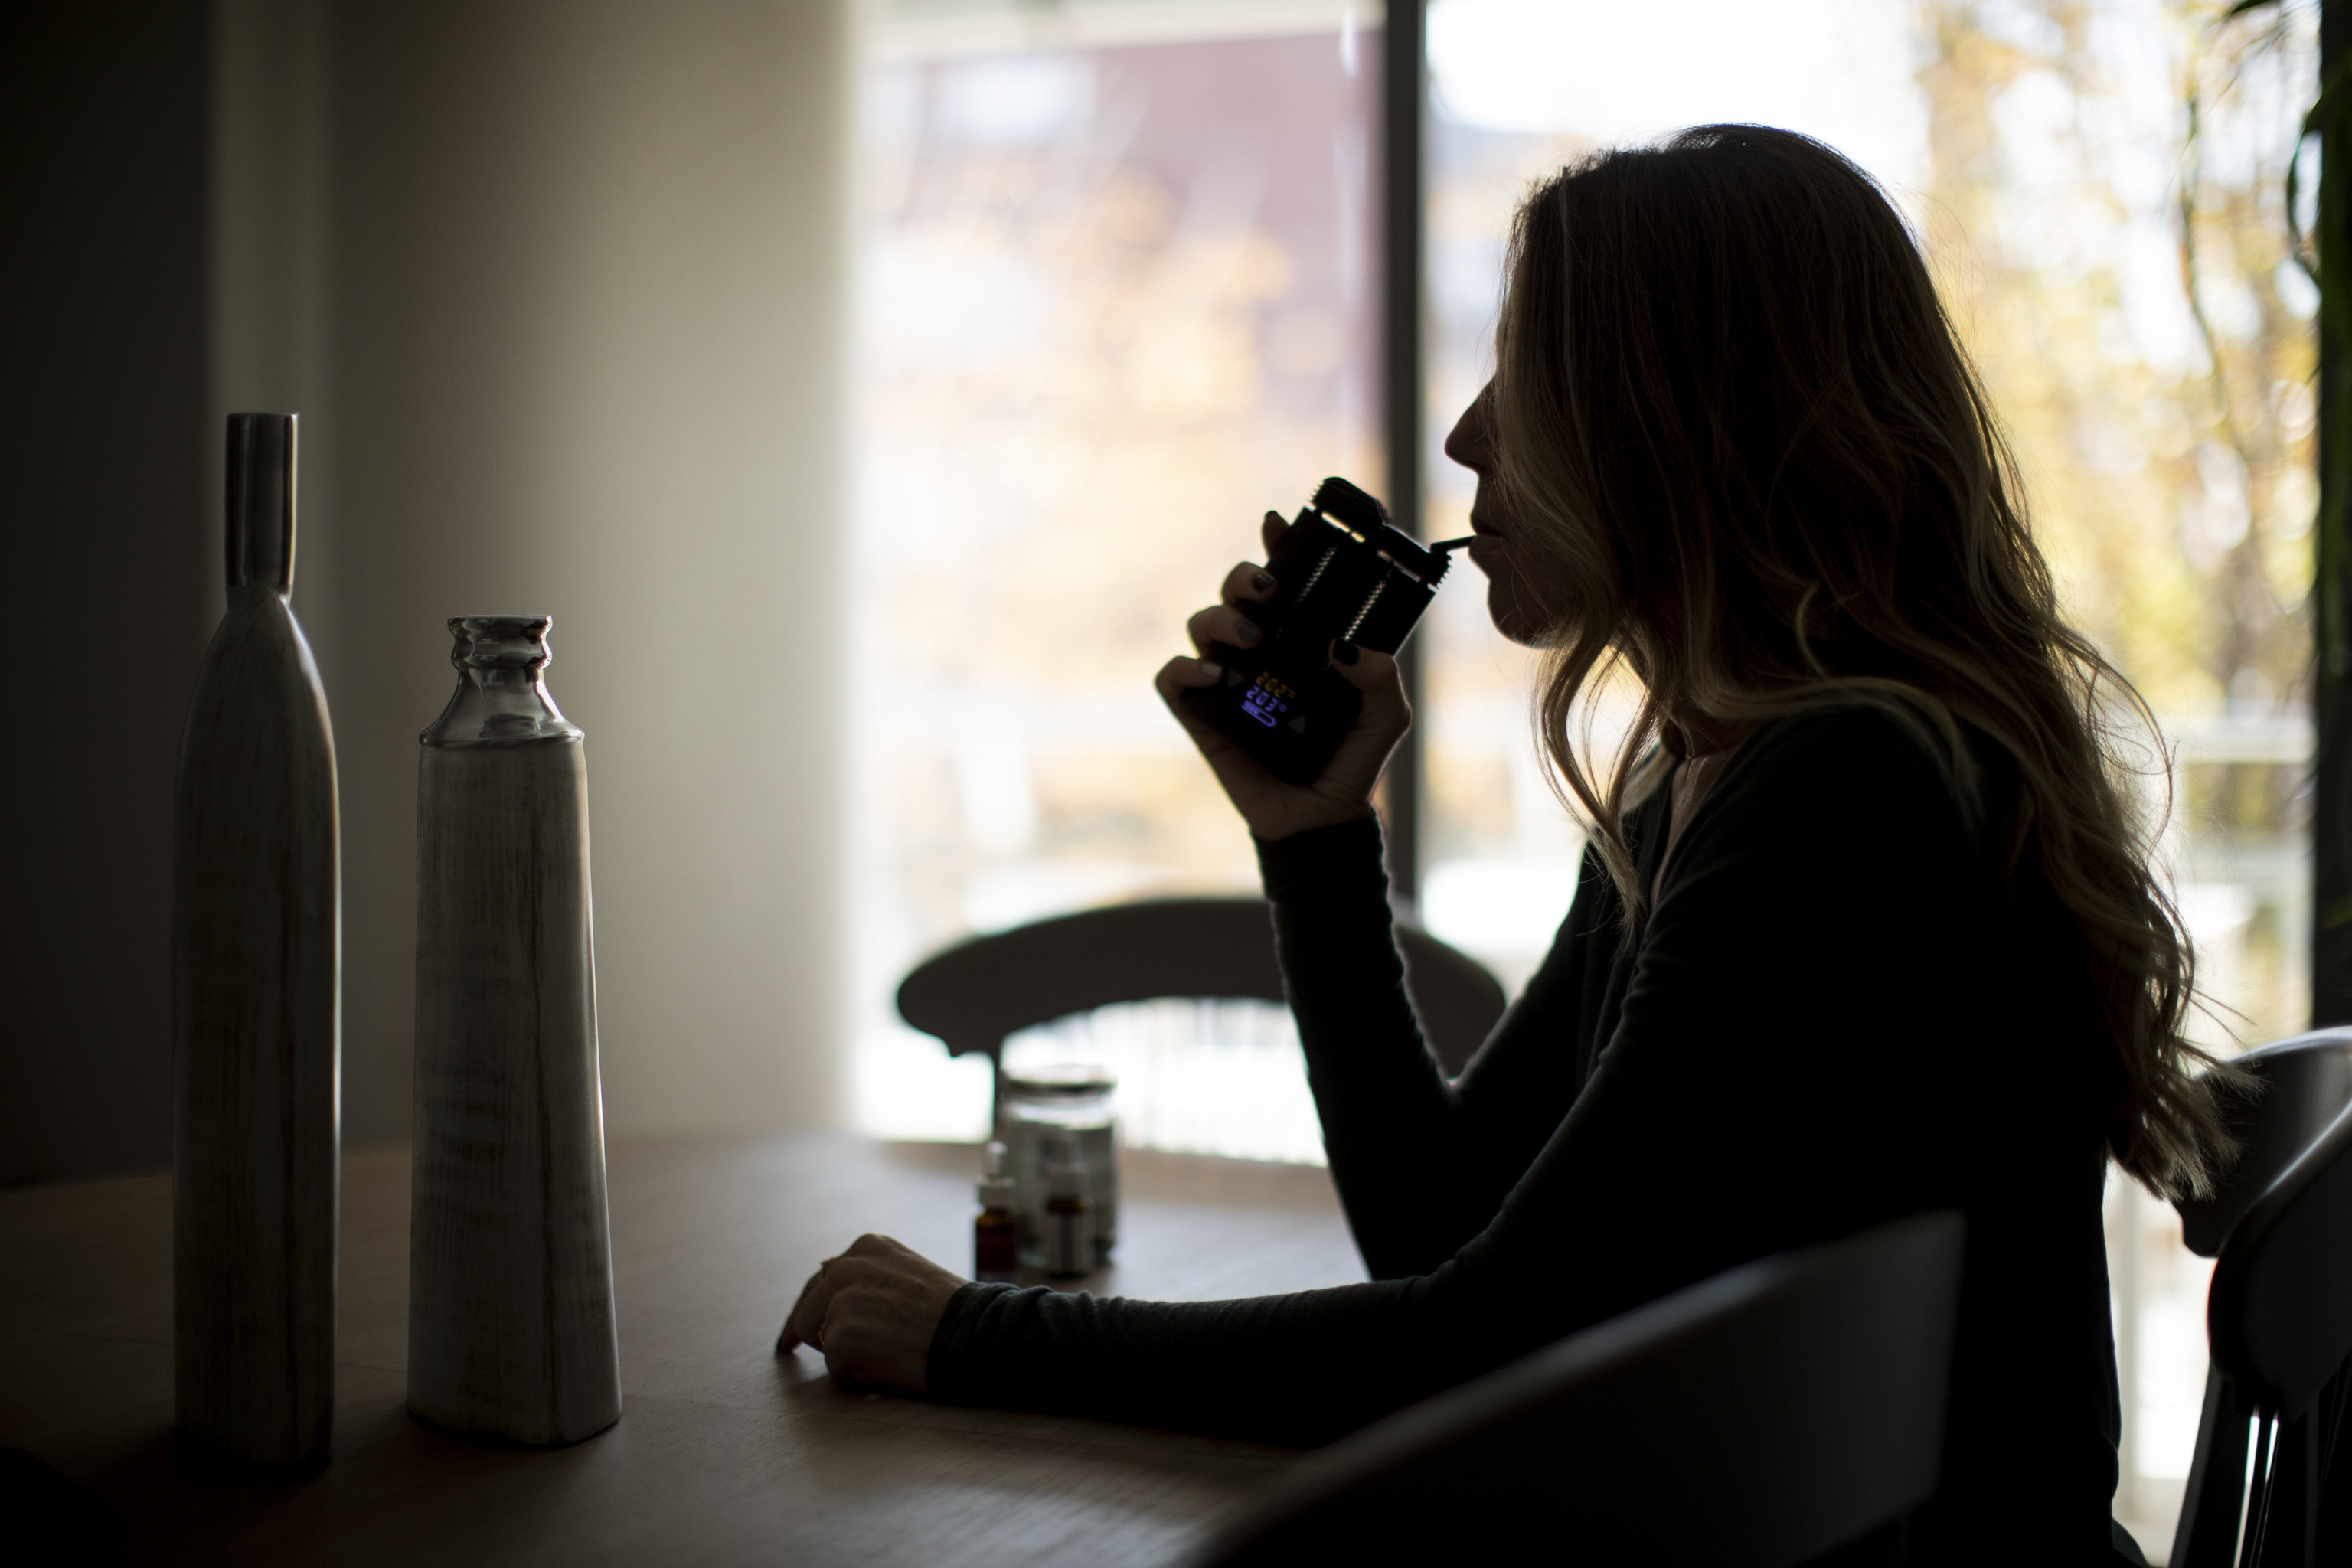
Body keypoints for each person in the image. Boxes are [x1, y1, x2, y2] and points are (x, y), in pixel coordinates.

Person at [777, 126, 2241, 1564]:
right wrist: (1316, 836)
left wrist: (981, 1334)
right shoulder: (1720, 771)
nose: (1469, 435)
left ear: (1675, 426)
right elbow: (1440, 1237)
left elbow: (1480, 1345)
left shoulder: (1847, 791)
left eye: (1526, 380)